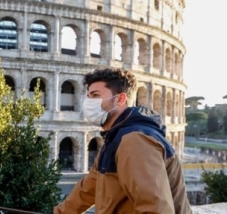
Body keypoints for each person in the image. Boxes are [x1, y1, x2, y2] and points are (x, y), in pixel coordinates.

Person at [54, 68, 192, 214]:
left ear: (120, 99)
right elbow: (87, 189)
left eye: (95, 95)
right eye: (88, 96)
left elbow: (155, 208)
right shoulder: (115, 138)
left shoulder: (135, 140)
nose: (88, 103)